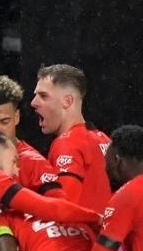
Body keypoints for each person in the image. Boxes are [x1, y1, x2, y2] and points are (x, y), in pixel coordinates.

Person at [31, 63, 111, 213]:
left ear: (67, 101)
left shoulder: (67, 144)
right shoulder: (105, 140)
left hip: (81, 235)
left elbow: (62, 209)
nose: (33, 102)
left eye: (43, 96)